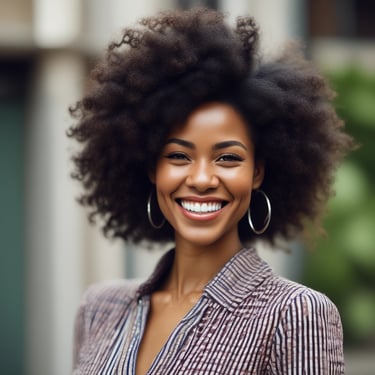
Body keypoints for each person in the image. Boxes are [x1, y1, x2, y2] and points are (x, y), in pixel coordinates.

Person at [68, 7, 354, 374]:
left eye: (228, 158)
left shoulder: (293, 314)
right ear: (152, 169)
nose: (202, 179)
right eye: (178, 156)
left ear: (258, 172)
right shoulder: (99, 308)